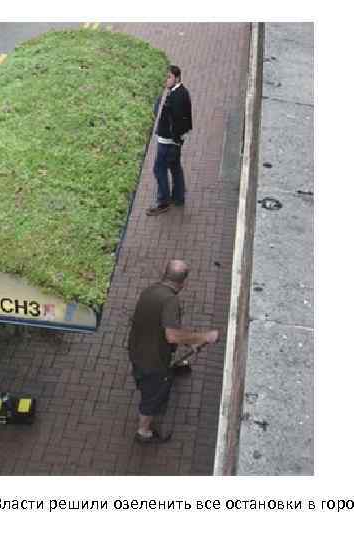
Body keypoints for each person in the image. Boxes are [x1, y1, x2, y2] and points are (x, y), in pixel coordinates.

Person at [127, 260, 218, 444]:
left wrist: (188, 343)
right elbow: (172, 336)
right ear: (183, 282)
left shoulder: (150, 290)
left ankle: (147, 386)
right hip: (153, 361)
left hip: (137, 349)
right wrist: (203, 337)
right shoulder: (170, 301)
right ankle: (143, 432)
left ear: (165, 274)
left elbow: (160, 327)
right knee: (153, 397)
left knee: (145, 380)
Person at [147, 65, 193, 216]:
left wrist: (175, 140)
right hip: (174, 141)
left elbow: (177, 122)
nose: (165, 80)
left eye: (168, 77)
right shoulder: (182, 92)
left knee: (159, 169)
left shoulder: (176, 97)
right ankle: (178, 197)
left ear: (177, 78)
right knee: (175, 167)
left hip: (168, 141)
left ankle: (163, 202)